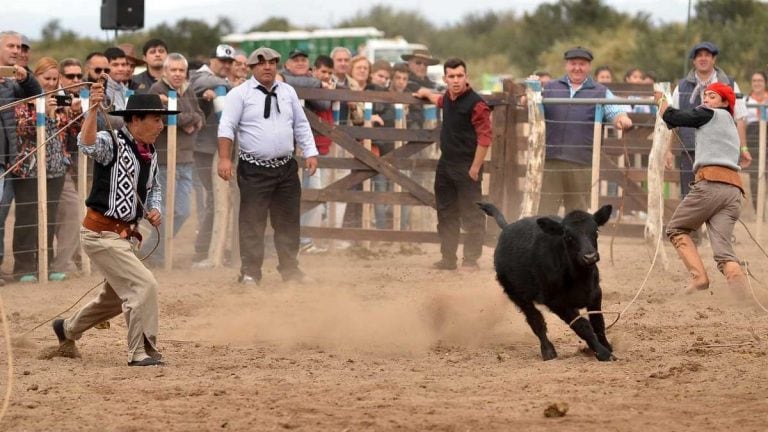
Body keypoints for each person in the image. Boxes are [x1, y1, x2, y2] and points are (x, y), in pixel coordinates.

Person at [51, 87, 175, 367]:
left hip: (123, 237)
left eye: (161, 119)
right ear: (134, 119)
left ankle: (67, 329)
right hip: (101, 234)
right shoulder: (113, 142)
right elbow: (87, 145)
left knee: (112, 300)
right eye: (156, 119)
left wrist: (154, 208)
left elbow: (154, 187)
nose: (161, 125)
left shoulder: (150, 152)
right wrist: (93, 110)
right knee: (143, 286)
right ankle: (140, 351)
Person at [217, 46, 318, 285]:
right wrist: (224, 158)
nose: (267, 66)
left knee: (288, 220)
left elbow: (301, 125)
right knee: (252, 221)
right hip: (254, 168)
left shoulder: (288, 92)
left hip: (285, 166)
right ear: (252, 67)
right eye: (261, 63)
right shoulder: (240, 94)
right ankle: (250, 272)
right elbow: (227, 127)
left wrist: (311, 151)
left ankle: (290, 269)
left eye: (272, 62)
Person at [659, 82, 749, 299]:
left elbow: (673, 118)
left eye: (713, 96)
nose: (706, 99)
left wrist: (661, 102)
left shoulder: (708, 113)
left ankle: (698, 276)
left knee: (676, 228)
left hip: (710, 185)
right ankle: (745, 298)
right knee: (724, 253)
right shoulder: (730, 123)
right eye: (705, 95)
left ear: (725, 103)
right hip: (734, 191)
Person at [536, 46, 632, 216]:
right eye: (573, 63)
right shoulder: (550, 87)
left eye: (582, 64)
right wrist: (527, 98)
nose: (577, 68)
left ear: (588, 67)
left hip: (582, 163)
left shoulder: (600, 91)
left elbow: (615, 111)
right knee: (546, 211)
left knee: (577, 213)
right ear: (567, 65)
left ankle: (573, 243)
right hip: (552, 160)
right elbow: (532, 105)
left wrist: (621, 119)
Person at [415, 58, 492, 270]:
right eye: (452, 77)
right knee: (446, 212)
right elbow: (438, 99)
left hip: (468, 165)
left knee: (472, 214)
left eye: (460, 76)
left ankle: (471, 259)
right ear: (445, 78)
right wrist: (425, 93)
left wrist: (475, 168)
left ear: (466, 77)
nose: (456, 80)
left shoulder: (477, 104)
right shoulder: (447, 98)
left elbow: (485, 138)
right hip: (446, 164)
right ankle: (448, 258)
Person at [11, 57, 70, 282]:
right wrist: (41, 113)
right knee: (27, 216)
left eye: (55, 79)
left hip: (55, 168)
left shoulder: (61, 102)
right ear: (36, 77)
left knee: (50, 217)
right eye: (47, 78)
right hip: (28, 167)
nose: (51, 83)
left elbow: (69, 130)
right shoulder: (23, 101)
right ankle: (23, 267)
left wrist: (56, 114)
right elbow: (23, 130)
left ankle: (45, 264)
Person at [143, 53, 205, 266]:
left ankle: (151, 252)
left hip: (186, 159)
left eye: (181, 70)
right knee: (166, 211)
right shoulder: (157, 90)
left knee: (183, 211)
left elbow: (200, 117)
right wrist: (185, 119)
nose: (178, 74)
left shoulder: (187, 89)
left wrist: (182, 116)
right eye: (174, 70)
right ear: (165, 71)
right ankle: (156, 255)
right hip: (164, 160)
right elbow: (163, 118)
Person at [667, 41, 750, 198]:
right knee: (689, 197)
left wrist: (743, 148)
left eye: (707, 55)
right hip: (690, 150)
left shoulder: (730, 84)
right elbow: (674, 122)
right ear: (693, 60)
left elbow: (739, 118)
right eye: (699, 56)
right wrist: (669, 150)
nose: (703, 59)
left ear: (714, 59)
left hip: (722, 152)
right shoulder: (682, 87)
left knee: (719, 197)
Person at [0, 31, 42, 283]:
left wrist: (27, 78)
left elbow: (36, 94)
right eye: (10, 45)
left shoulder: (10, 82)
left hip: (4, 159)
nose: (16, 50)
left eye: (18, 46)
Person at [189, 44, 235, 264]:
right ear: (211, 60)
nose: (225, 65)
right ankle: (204, 248)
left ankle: (214, 246)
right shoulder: (203, 77)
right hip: (205, 149)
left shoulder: (218, 82)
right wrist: (231, 85)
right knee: (214, 199)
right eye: (222, 61)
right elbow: (199, 82)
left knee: (221, 199)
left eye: (229, 62)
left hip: (220, 148)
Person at [53, 57, 87, 276]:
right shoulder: (53, 94)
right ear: (60, 77)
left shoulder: (78, 100)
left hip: (68, 167)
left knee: (72, 213)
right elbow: (47, 103)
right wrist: (71, 107)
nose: (75, 80)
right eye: (70, 76)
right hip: (37, 167)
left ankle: (62, 264)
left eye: (78, 76)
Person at [744, 71, 767, 208]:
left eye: (760, 80)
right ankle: (758, 210)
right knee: (754, 178)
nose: (757, 83)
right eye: (754, 81)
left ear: (765, 83)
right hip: (753, 141)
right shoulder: (746, 101)